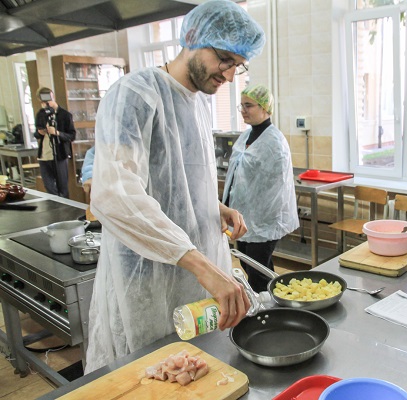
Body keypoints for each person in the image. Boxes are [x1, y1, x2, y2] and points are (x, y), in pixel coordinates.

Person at [84, 0, 265, 373]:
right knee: (145, 375)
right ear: (194, 37)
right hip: (145, 274)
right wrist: (201, 265)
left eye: (238, 65)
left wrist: (217, 208)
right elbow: (116, 194)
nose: (230, 76)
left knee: (193, 370)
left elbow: (179, 184)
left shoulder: (198, 103)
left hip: (193, 271)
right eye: (225, 60)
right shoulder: (135, 94)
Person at [223, 85, 299, 292]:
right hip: (243, 216)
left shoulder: (274, 142)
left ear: (265, 107)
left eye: (249, 105)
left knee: (258, 269)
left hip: (265, 219)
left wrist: (260, 218)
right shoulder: (246, 136)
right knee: (249, 264)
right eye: (242, 105)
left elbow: (276, 189)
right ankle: (273, 299)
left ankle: (268, 306)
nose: (243, 110)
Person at [34, 87, 76, 198]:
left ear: (53, 96)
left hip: (60, 155)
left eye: (48, 99)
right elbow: (36, 133)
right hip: (44, 155)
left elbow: (72, 135)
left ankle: (66, 211)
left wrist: (57, 133)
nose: (46, 103)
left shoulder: (65, 115)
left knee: (62, 187)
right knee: (49, 187)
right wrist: (40, 133)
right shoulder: (41, 114)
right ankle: (56, 210)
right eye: (43, 101)